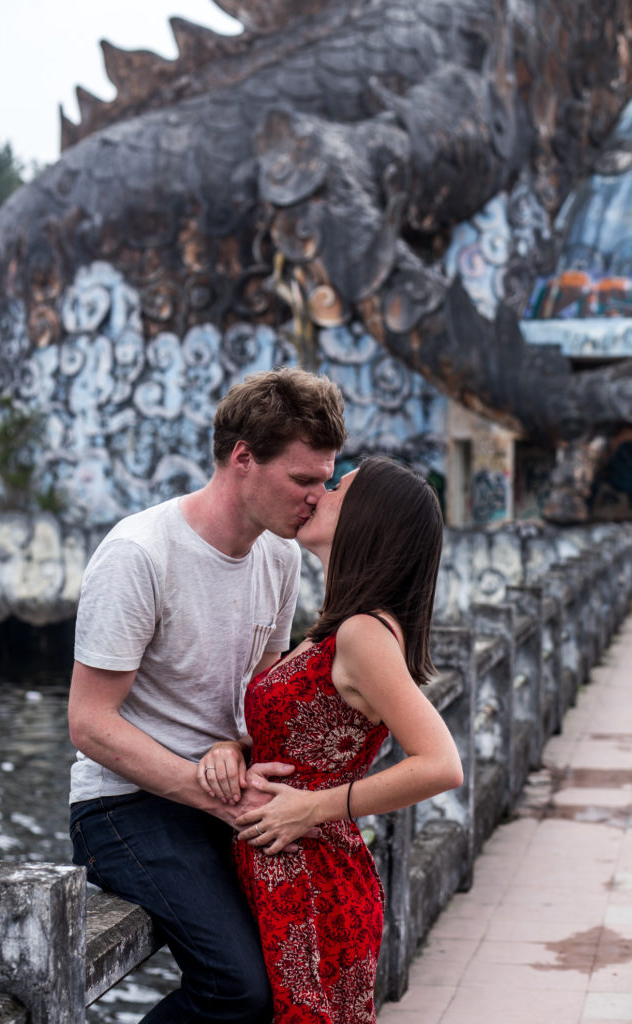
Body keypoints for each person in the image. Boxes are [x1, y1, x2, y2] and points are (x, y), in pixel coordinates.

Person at [67, 366, 347, 1024]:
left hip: (227, 788)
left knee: (314, 960)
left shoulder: (279, 556)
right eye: (302, 480)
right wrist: (215, 791)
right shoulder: (139, 553)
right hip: (126, 805)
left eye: (325, 480)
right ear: (243, 458)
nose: (317, 498)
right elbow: (89, 723)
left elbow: (265, 699)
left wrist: (231, 744)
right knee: (238, 989)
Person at [198, 456, 463, 1024]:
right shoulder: (337, 628)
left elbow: (441, 764)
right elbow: (291, 739)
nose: (319, 493)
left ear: (368, 518)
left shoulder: (364, 633)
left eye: (338, 486)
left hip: (313, 877)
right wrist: (234, 749)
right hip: (289, 871)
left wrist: (313, 807)